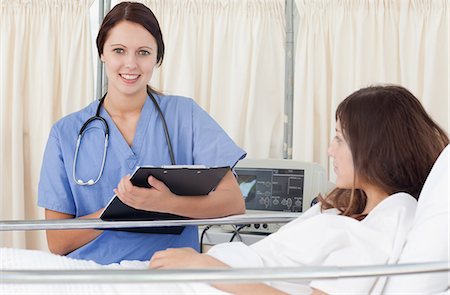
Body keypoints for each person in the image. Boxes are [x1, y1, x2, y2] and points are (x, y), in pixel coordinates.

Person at [2, 85, 448, 294]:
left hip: (205, 278)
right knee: (16, 269)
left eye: (338, 137)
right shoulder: (348, 209)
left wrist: (201, 267)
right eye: (118, 51)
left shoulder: (395, 215)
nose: (329, 150)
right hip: (195, 271)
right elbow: (58, 239)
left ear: (372, 146)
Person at [37, 2, 246, 265]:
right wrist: (121, 209)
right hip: (93, 274)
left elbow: (233, 202)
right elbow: (58, 242)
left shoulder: (186, 116)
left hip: (170, 274)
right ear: (102, 53)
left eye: (143, 52)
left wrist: (167, 203)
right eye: (119, 51)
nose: (130, 64)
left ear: (157, 58)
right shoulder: (66, 132)